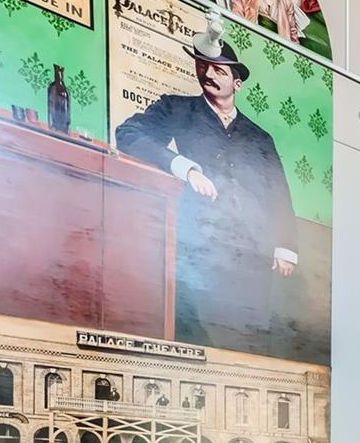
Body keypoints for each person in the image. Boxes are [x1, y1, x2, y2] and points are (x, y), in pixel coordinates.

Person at [115, 40, 297, 354]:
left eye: (218, 70)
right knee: (200, 338)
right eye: (203, 66)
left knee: (250, 340)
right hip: (201, 247)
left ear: (237, 83)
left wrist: (286, 246)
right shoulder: (177, 109)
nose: (208, 74)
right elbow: (128, 134)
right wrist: (185, 168)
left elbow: (277, 189)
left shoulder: (259, 136)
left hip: (253, 254)